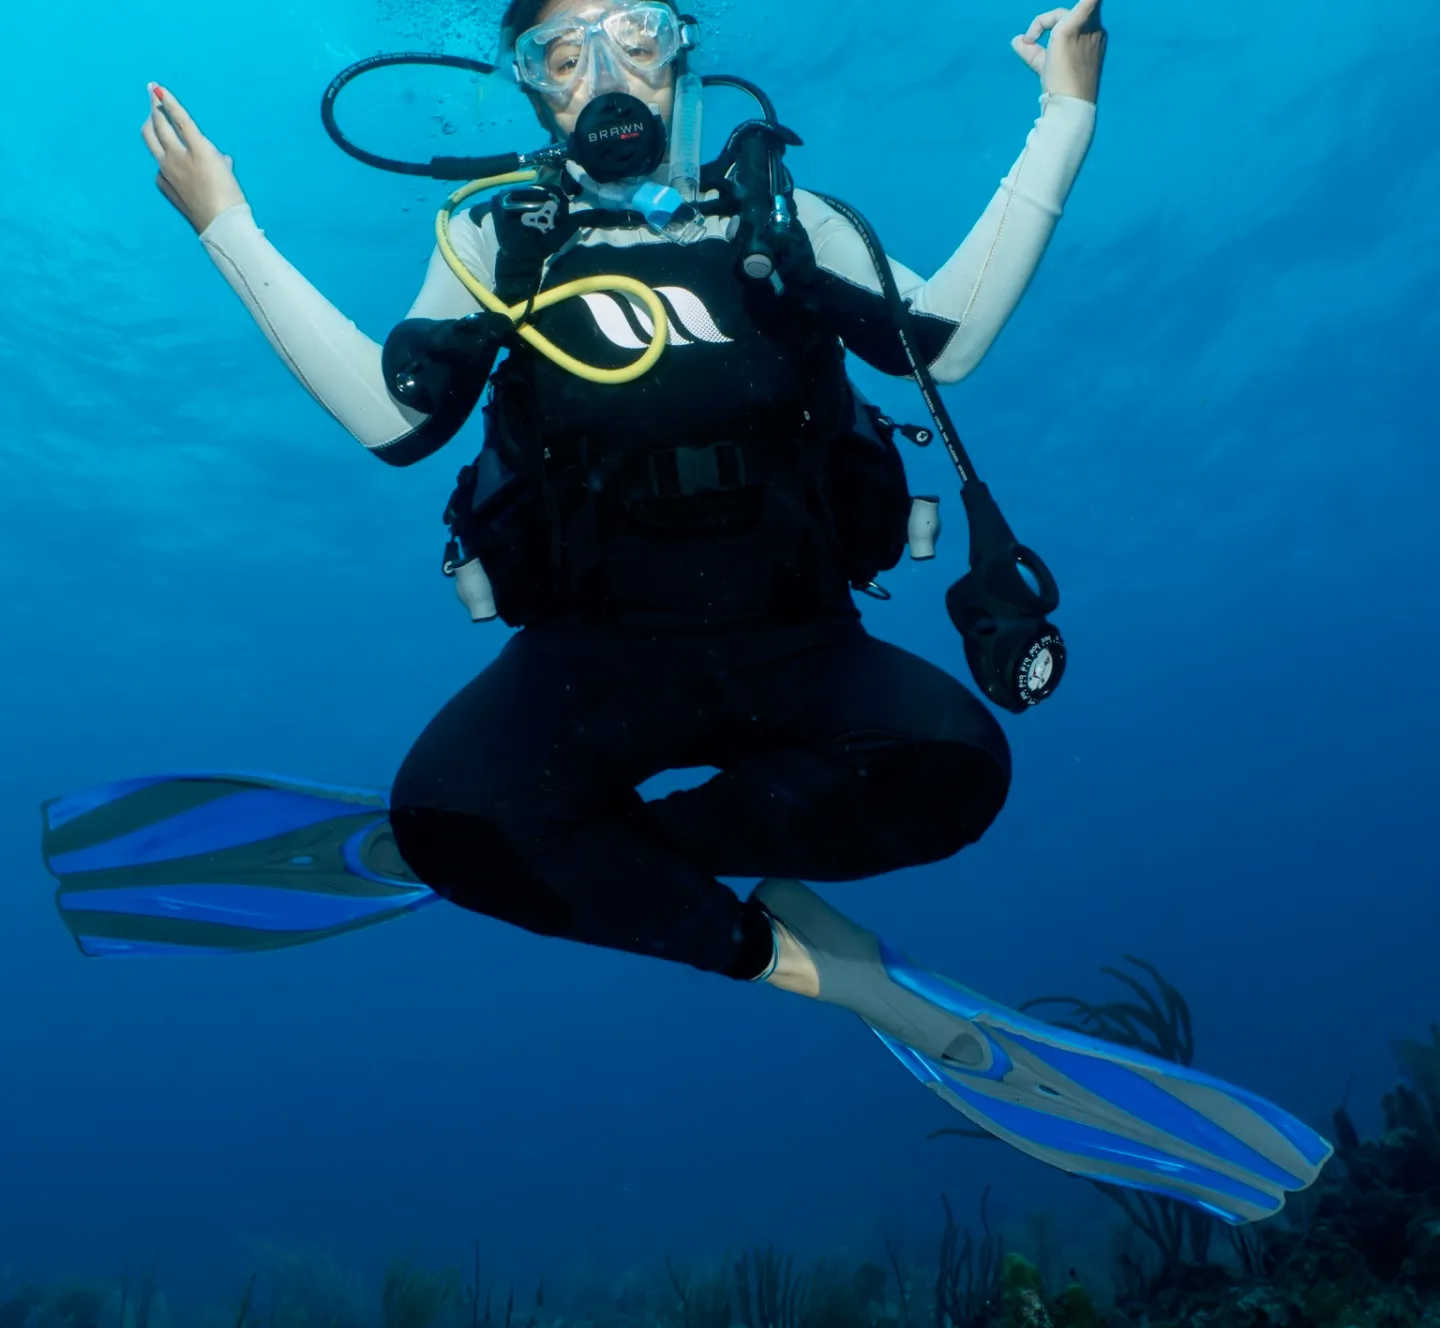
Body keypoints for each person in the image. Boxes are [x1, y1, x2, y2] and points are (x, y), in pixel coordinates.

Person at [46, 0, 1333, 1221]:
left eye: (634, 33)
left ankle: (575, 851)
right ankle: (834, 980)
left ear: (683, 54)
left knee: (958, 771)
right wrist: (226, 224)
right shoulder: (499, 240)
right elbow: (395, 421)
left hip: (798, 642)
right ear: (527, 90)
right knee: (445, 815)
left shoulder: (782, 215)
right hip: (593, 658)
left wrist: (1067, 114)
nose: (602, 73)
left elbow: (946, 342)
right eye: (560, 52)